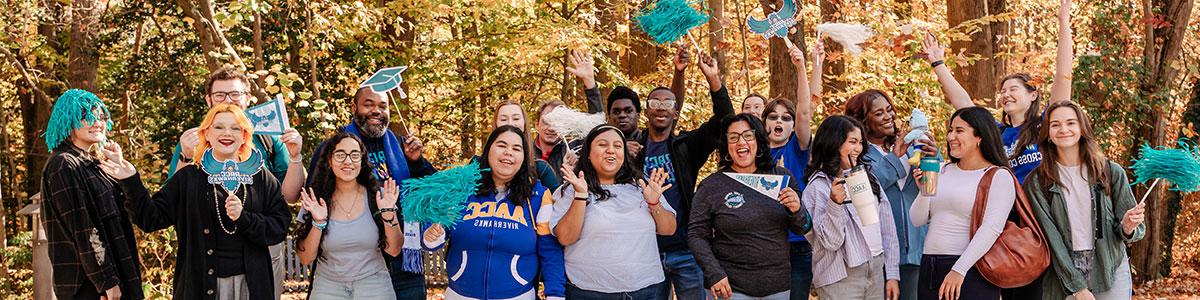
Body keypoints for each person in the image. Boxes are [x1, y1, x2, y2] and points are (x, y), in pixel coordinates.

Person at [102, 104, 292, 299]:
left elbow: (279, 226)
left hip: (250, 287)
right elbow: (150, 219)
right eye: (218, 127)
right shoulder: (188, 178)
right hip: (199, 287)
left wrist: (244, 219)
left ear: (244, 136)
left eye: (236, 128)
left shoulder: (261, 178)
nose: (227, 133)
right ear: (206, 134)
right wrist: (130, 180)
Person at [168, 68, 306, 299]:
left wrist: (296, 157)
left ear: (248, 98)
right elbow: (173, 202)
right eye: (220, 95)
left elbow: (291, 197)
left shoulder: (270, 136)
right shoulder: (195, 140)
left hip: (260, 244)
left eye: (235, 94)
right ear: (208, 99)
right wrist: (185, 155)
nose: (228, 100)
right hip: (206, 250)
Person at [305, 87, 437, 300]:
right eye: (369, 104)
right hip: (352, 258)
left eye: (382, 106)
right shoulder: (333, 149)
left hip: (401, 254)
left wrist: (417, 161)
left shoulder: (403, 147)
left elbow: (433, 190)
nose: (376, 110)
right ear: (354, 107)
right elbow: (315, 195)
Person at [925, 0, 1075, 185]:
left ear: (1033, 95)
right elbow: (964, 104)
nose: (1006, 95)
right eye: (1003, 91)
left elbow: (1063, 76)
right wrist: (938, 63)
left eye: (1013, 89)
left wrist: (1064, 20)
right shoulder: (997, 132)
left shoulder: (1046, 124)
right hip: (1008, 210)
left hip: (1042, 209)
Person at [621, 52, 731, 299]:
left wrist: (713, 79)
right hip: (644, 251)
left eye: (668, 105)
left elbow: (725, 120)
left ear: (676, 113)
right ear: (646, 112)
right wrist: (623, 154)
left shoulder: (686, 147)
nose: (661, 108)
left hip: (685, 250)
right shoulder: (630, 148)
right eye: (654, 104)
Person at [422, 125, 567, 299]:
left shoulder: (538, 195)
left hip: (517, 295)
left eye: (516, 148)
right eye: (501, 145)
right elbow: (435, 234)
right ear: (488, 149)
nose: (508, 152)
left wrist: (555, 295)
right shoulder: (461, 188)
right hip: (460, 294)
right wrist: (431, 236)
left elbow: (550, 251)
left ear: (524, 157)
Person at [1023, 101, 1145, 300]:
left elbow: (1133, 231)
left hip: (1109, 266)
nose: (1063, 129)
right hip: (1062, 269)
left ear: (1082, 128)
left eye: (1071, 123)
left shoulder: (1111, 172)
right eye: (1055, 124)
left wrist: (1128, 226)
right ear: (1048, 134)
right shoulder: (1037, 181)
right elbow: (1050, 238)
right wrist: (1077, 286)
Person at [688, 113, 812, 300]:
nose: (741, 142)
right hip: (730, 288)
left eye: (748, 135)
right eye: (733, 137)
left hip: (778, 287)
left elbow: (803, 227)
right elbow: (696, 234)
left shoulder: (782, 178)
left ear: (759, 141)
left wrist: (797, 210)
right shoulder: (711, 186)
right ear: (726, 146)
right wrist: (714, 273)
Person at [40, 89, 144, 300]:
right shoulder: (63, 164)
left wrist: (119, 166)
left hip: (116, 273)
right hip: (88, 285)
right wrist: (106, 281)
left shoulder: (92, 164)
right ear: (68, 120)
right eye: (87, 116)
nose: (97, 122)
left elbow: (128, 214)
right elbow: (83, 228)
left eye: (101, 117)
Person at [551, 125, 676, 298]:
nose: (611, 150)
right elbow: (565, 237)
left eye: (618, 146)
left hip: (648, 289)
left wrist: (654, 203)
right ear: (588, 153)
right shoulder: (571, 189)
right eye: (603, 145)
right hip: (589, 292)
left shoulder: (642, 185)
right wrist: (581, 195)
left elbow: (668, 229)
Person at [910, 107, 1017, 300]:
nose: (951, 136)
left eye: (959, 131)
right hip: (929, 266)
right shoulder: (941, 170)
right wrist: (925, 191)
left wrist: (959, 270)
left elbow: (991, 228)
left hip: (970, 268)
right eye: (951, 130)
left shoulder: (998, 176)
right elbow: (917, 220)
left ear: (980, 137)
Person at [844, 90, 936, 300]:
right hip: (881, 251)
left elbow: (932, 189)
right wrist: (895, 156)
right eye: (879, 113)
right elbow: (867, 188)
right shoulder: (858, 155)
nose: (888, 116)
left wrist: (933, 156)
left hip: (918, 245)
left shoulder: (914, 147)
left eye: (889, 110)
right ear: (862, 120)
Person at [293, 132, 404, 299]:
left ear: (362, 161)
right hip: (328, 286)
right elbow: (306, 258)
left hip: (375, 284)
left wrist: (388, 213)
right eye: (340, 155)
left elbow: (394, 250)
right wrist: (318, 221)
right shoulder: (314, 200)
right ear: (329, 161)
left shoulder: (379, 197)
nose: (348, 161)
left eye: (354, 155)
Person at [801, 115, 900, 300]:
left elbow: (886, 227)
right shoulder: (818, 188)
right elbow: (830, 242)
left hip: (876, 267)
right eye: (852, 142)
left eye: (861, 142)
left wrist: (892, 273)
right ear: (834, 143)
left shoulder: (868, 178)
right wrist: (835, 204)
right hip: (840, 276)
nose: (858, 148)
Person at [762, 40, 824, 300]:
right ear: (763, 122)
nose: (779, 121)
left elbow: (805, 113)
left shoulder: (797, 149)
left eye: (785, 118)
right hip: (764, 243)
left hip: (797, 244)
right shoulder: (752, 155)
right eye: (773, 116)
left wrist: (802, 68)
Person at [493, 100, 561, 189]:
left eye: (516, 118)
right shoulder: (478, 166)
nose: (510, 123)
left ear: (524, 123)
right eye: (503, 119)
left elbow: (560, 200)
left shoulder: (541, 169)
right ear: (496, 123)